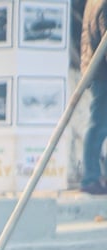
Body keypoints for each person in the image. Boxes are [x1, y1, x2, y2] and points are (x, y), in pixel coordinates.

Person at [81, 0, 107, 195]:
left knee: (98, 125)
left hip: (96, 72)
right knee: (98, 126)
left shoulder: (93, 2)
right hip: (103, 74)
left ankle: (93, 176)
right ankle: (90, 177)